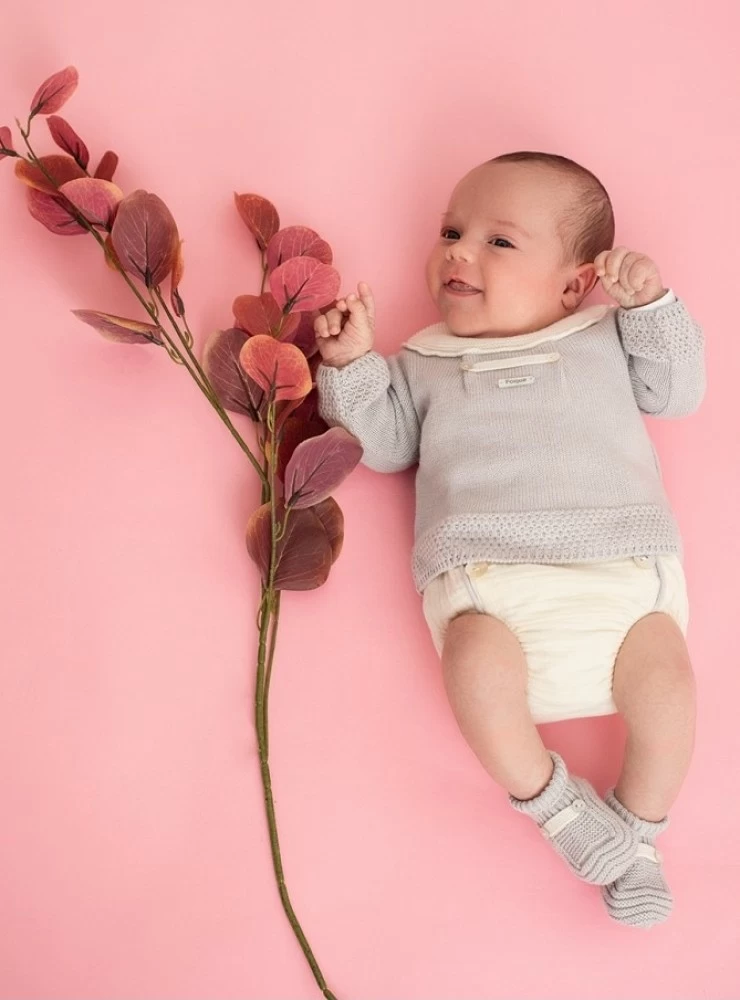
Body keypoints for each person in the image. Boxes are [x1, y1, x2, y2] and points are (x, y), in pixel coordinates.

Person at [313, 152, 705, 927]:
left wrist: (651, 306)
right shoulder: (423, 361)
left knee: (671, 693)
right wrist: (352, 364)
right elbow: (385, 445)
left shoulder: (605, 336)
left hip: (620, 579)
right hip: (487, 587)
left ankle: (639, 831)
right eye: (453, 231)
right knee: (476, 668)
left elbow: (676, 391)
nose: (459, 251)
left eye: (499, 242)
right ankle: (556, 805)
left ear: (574, 283)